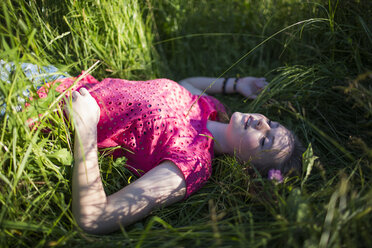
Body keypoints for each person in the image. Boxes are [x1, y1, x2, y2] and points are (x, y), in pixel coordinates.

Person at [1, 61, 304, 234]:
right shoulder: (211, 107)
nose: (262, 124)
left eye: (265, 141)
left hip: (33, 115)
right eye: (272, 123)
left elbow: (95, 217)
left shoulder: (194, 163)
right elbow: (184, 83)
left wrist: (85, 131)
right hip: (52, 79)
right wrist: (235, 84)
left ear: (246, 167)